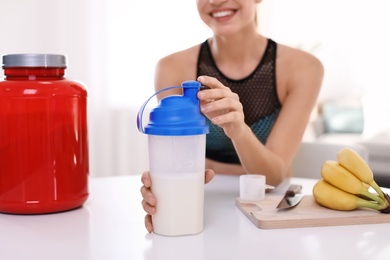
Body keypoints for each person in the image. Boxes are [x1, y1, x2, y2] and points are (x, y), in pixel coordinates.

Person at [140, 0, 324, 233]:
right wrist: (161, 187)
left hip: (270, 210)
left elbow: (273, 176)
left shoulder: (303, 68)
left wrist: (238, 131)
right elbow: (176, 163)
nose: (215, 1)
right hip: (200, 206)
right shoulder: (172, 68)